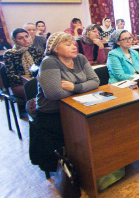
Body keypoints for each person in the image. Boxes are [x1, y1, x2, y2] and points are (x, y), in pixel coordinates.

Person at [32, 32, 99, 174]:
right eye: (68, 44)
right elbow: (54, 94)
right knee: (78, 141)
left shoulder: (80, 58)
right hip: (52, 114)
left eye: (73, 44)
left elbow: (95, 81)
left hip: (78, 107)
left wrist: (74, 87)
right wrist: (82, 89)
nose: (74, 47)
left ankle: (91, 168)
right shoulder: (49, 61)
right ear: (55, 48)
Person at [3, 28, 44, 99]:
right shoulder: (9, 54)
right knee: (37, 90)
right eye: (20, 38)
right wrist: (27, 79)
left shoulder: (35, 50)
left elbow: (42, 67)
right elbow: (11, 76)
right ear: (15, 40)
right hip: (19, 84)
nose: (25, 40)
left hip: (37, 81)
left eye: (26, 36)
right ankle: (34, 108)